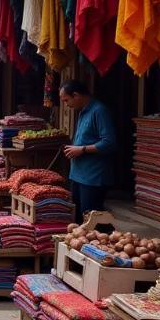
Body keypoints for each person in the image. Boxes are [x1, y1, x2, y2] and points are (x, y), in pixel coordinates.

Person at [60, 80, 116, 222]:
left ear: (76, 95)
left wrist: (82, 149)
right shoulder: (82, 112)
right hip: (77, 174)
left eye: (67, 100)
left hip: (93, 177)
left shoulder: (99, 111)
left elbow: (109, 142)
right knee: (78, 219)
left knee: (92, 220)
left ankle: (100, 243)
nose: (66, 104)